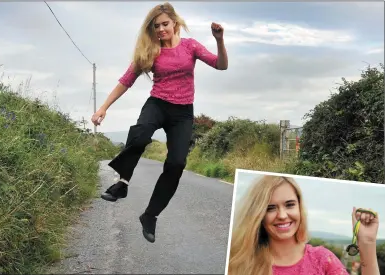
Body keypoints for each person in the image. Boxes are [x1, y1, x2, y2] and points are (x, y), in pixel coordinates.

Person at [91, 2, 228, 243]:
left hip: (183, 112)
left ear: (175, 23)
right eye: (156, 26)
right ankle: (122, 183)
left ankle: (150, 215)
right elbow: (126, 80)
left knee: (176, 163)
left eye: (165, 24)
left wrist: (219, 39)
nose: (161, 30)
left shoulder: (191, 46)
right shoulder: (151, 51)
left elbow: (221, 65)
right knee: (141, 134)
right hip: (158, 104)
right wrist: (103, 107)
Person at [227, 175, 380, 275]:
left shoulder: (322, 260)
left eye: (289, 205)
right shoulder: (239, 263)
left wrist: (367, 243)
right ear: (257, 215)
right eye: (270, 208)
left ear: (299, 208)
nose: (282, 215)